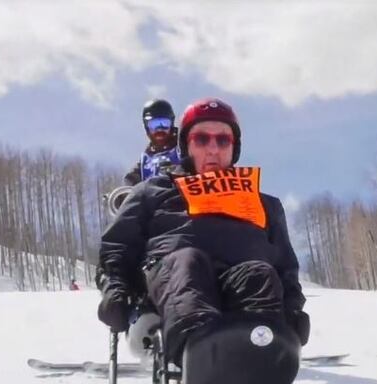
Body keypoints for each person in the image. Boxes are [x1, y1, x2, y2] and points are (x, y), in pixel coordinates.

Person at [96, 97, 310, 363]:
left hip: (242, 277)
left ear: (234, 148)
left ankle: (261, 365)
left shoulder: (264, 203)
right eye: (202, 139)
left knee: (259, 275)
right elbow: (118, 245)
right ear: (187, 145)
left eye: (222, 140)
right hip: (176, 274)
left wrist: (293, 309)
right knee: (188, 264)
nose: (213, 149)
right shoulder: (152, 191)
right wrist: (116, 288)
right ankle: (201, 362)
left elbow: (285, 267)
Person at [123, 99, 182, 186]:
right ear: (146, 127)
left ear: (172, 124)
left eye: (164, 124)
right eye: (154, 125)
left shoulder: (183, 149)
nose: (160, 129)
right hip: (154, 198)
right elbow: (130, 182)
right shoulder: (146, 160)